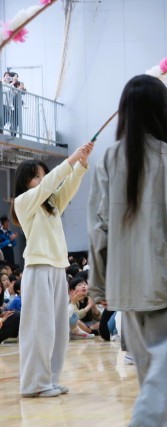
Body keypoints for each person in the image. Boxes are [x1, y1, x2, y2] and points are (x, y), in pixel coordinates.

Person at [87, 74, 167, 427]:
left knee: (146, 360)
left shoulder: (106, 159)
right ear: (162, 111)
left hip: (124, 279)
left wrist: (99, 283)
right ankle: (142, 422)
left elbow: (97, 228)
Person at [12, 142, 94, 398]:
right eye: (37, 176)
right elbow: (50, 185)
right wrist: (70, 160)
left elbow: (66, 188)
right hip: (38, 269)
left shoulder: (51, 205)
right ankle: (33, 384)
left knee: (58, 330)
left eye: (43, 175)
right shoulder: (23, 202)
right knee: (40, 329)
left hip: (58, 269)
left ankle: (49, 380)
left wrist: (80, 165)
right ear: (25, 181)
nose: (42, 179)